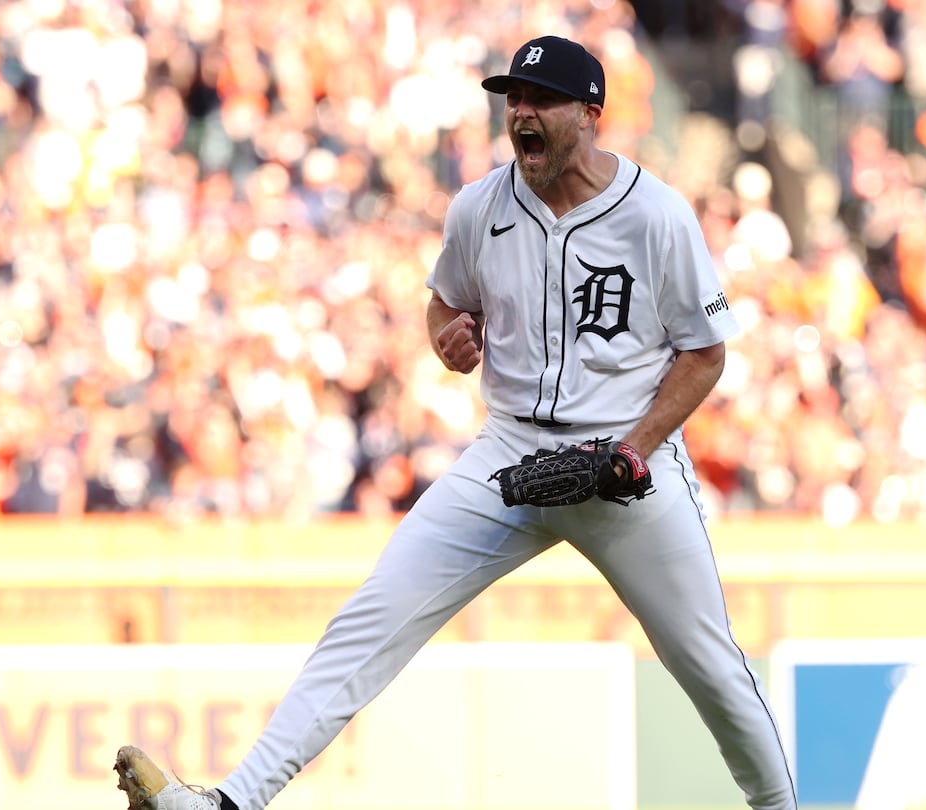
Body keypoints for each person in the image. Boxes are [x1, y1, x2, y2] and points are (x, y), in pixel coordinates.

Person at [111, 34, 798, 810]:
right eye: (514, 99)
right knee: (373, 617)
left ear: (591, 114)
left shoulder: (657, 215)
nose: (521, 114)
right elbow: (447, 299)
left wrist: (636, 449)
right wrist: (446, 335)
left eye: (541, 101)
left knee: (707, 665)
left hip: (626, 468)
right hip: (509, 457)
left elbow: (705, 354)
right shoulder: (480, 207)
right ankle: (231, 802)